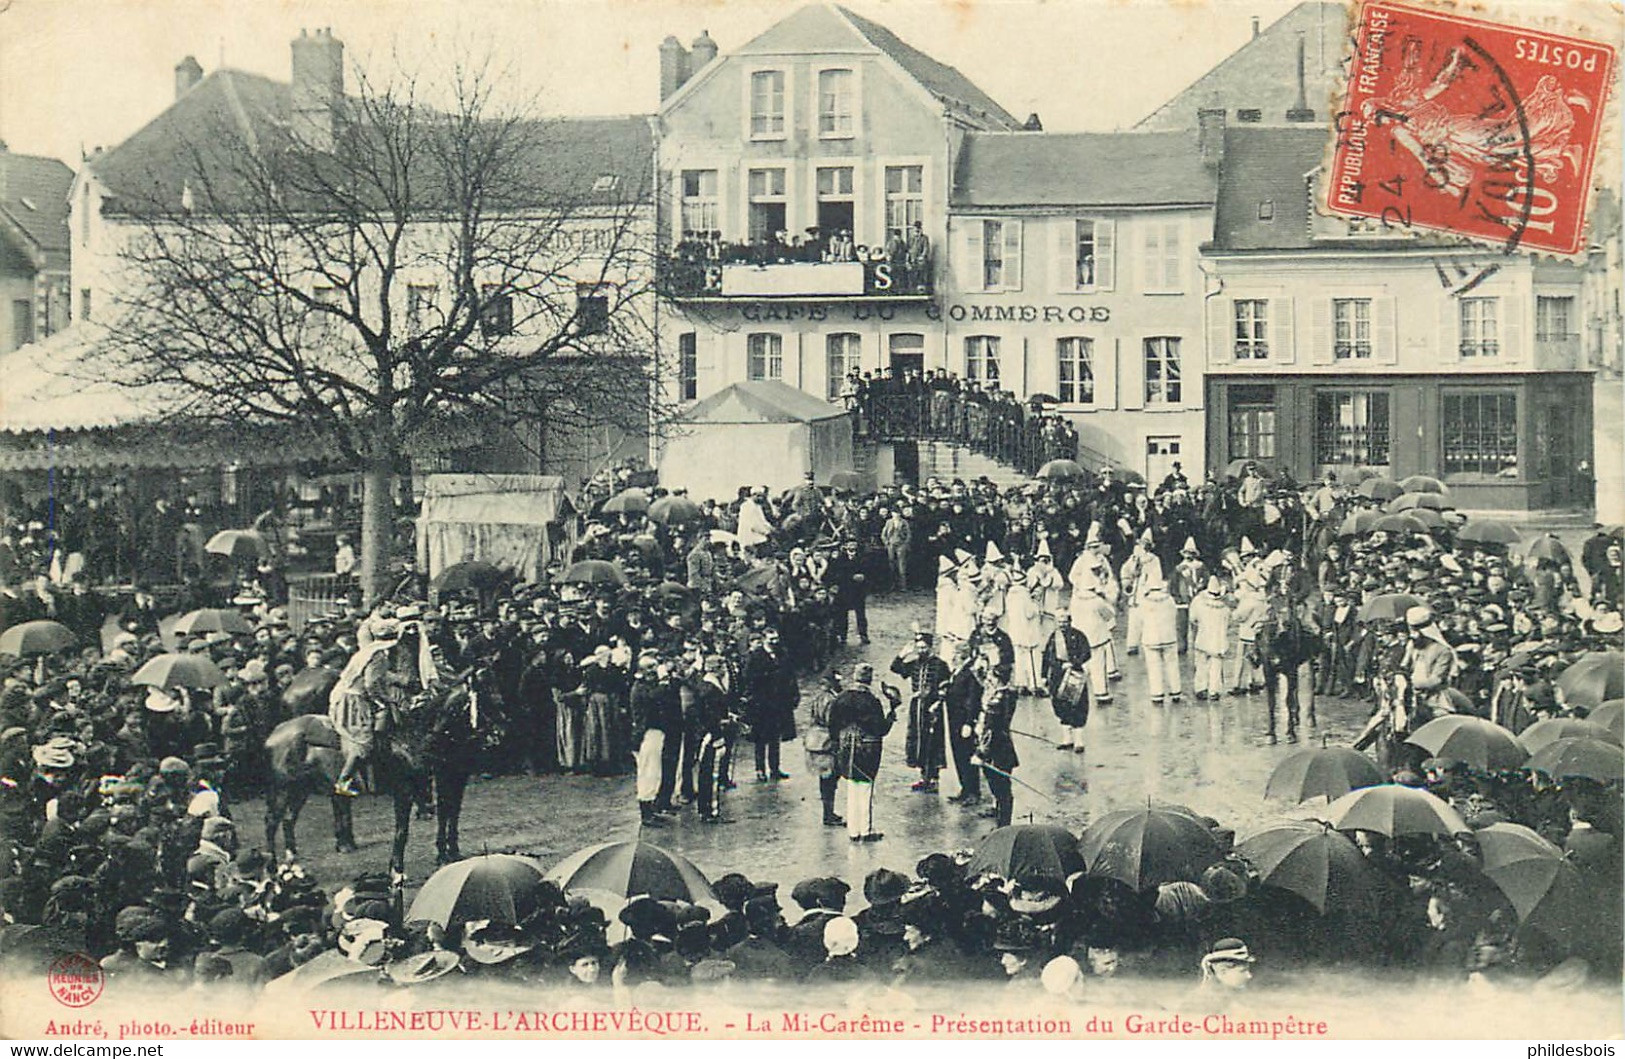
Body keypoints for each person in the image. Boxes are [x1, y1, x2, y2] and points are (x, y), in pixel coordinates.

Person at [827, 662, 898, 842]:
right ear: (869, 679)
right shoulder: (871, 701)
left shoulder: (841, 698)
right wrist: (891, 715)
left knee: (852, 788)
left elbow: (832, 725)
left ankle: (853, 831)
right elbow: (880, 728)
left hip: (846, 748)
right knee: (865, 788)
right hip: (867, 749)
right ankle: (865, 830)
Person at [891, 625, 950, 793]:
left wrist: (938, 701)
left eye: (924, 647)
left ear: (931, 647)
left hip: (932, 708)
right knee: (918, 740)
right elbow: (895, 668)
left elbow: (946, 686)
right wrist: (903, 653)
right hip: (916, 707)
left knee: (933, 741)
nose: (921, 650)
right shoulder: (914, 663)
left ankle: (934, 779)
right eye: (919, 648)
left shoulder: (940, 665)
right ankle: (923, 777)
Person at [743, 628, 797, 782]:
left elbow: (790, 675)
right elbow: (749, 679)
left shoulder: (782, 654)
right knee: (760, 739)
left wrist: (793, 695)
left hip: (779, 704)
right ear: (764, 639)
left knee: (775, 738)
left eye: (776, 639)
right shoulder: (755, 656)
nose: (774, 642)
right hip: (762, 705)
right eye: (771, 640)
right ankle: (760, 769)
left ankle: (774, 768)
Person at [972, 663, 1019, 827]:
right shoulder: (1008, 694)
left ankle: (1003, 826)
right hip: (1004, 747)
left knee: (1001, 791)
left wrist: (980, 753)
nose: (989, 679)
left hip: (996, 751)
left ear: (998, 680)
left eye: (992, 677)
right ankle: (1002, 823)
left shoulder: (997, 701)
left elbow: (990, 732)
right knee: (1002, 791)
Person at [1188, 577, 1231, 701]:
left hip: (1203, 638)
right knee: (1216, 666)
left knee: (1201, 664)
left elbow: (1193, 618)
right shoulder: (1225, 609)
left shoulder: (1199, 603)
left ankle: (1201, 688)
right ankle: (1214, 690)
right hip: (1219, 641)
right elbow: (1229, 624)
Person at [1139, 584, 1182, 706]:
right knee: (1172, 665)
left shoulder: (1144, 601)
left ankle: (1157, 694)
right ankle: (1176, 692)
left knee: (1153, 667)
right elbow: (1175, 614)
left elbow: (1140, 619)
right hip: (1168, 637)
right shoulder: (1169, 599)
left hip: (1150, 638)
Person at [825, 538, 871, 645]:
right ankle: (843, 636)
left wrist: (863, 578)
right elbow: (836, 574)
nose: (852, 546)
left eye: (854, 544)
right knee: (842, 615)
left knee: (861, 614)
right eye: (850, 544)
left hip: (858, 591)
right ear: (846, 546)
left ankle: (863, 635)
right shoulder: (839, 558)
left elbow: (869, 571)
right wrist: (851, 577)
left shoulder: (863, 557)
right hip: (844, 590)